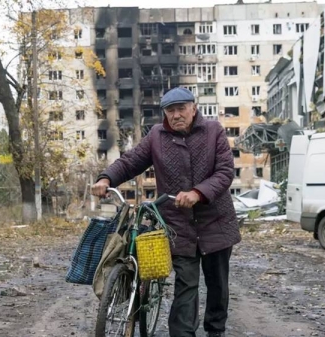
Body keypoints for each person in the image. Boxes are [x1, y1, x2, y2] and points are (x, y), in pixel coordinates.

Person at [91, 87, 241, 337]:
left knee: (217, 286)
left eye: (181, 108)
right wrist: (107, 178)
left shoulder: (214, 131)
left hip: (216, 222)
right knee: (186, 285)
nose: (176, 115)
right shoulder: (156, 136)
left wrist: (197, 193)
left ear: (193, 108)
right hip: (178, 227)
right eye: (170, 111)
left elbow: (225, 172)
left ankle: (216, 331)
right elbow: (130, 162)